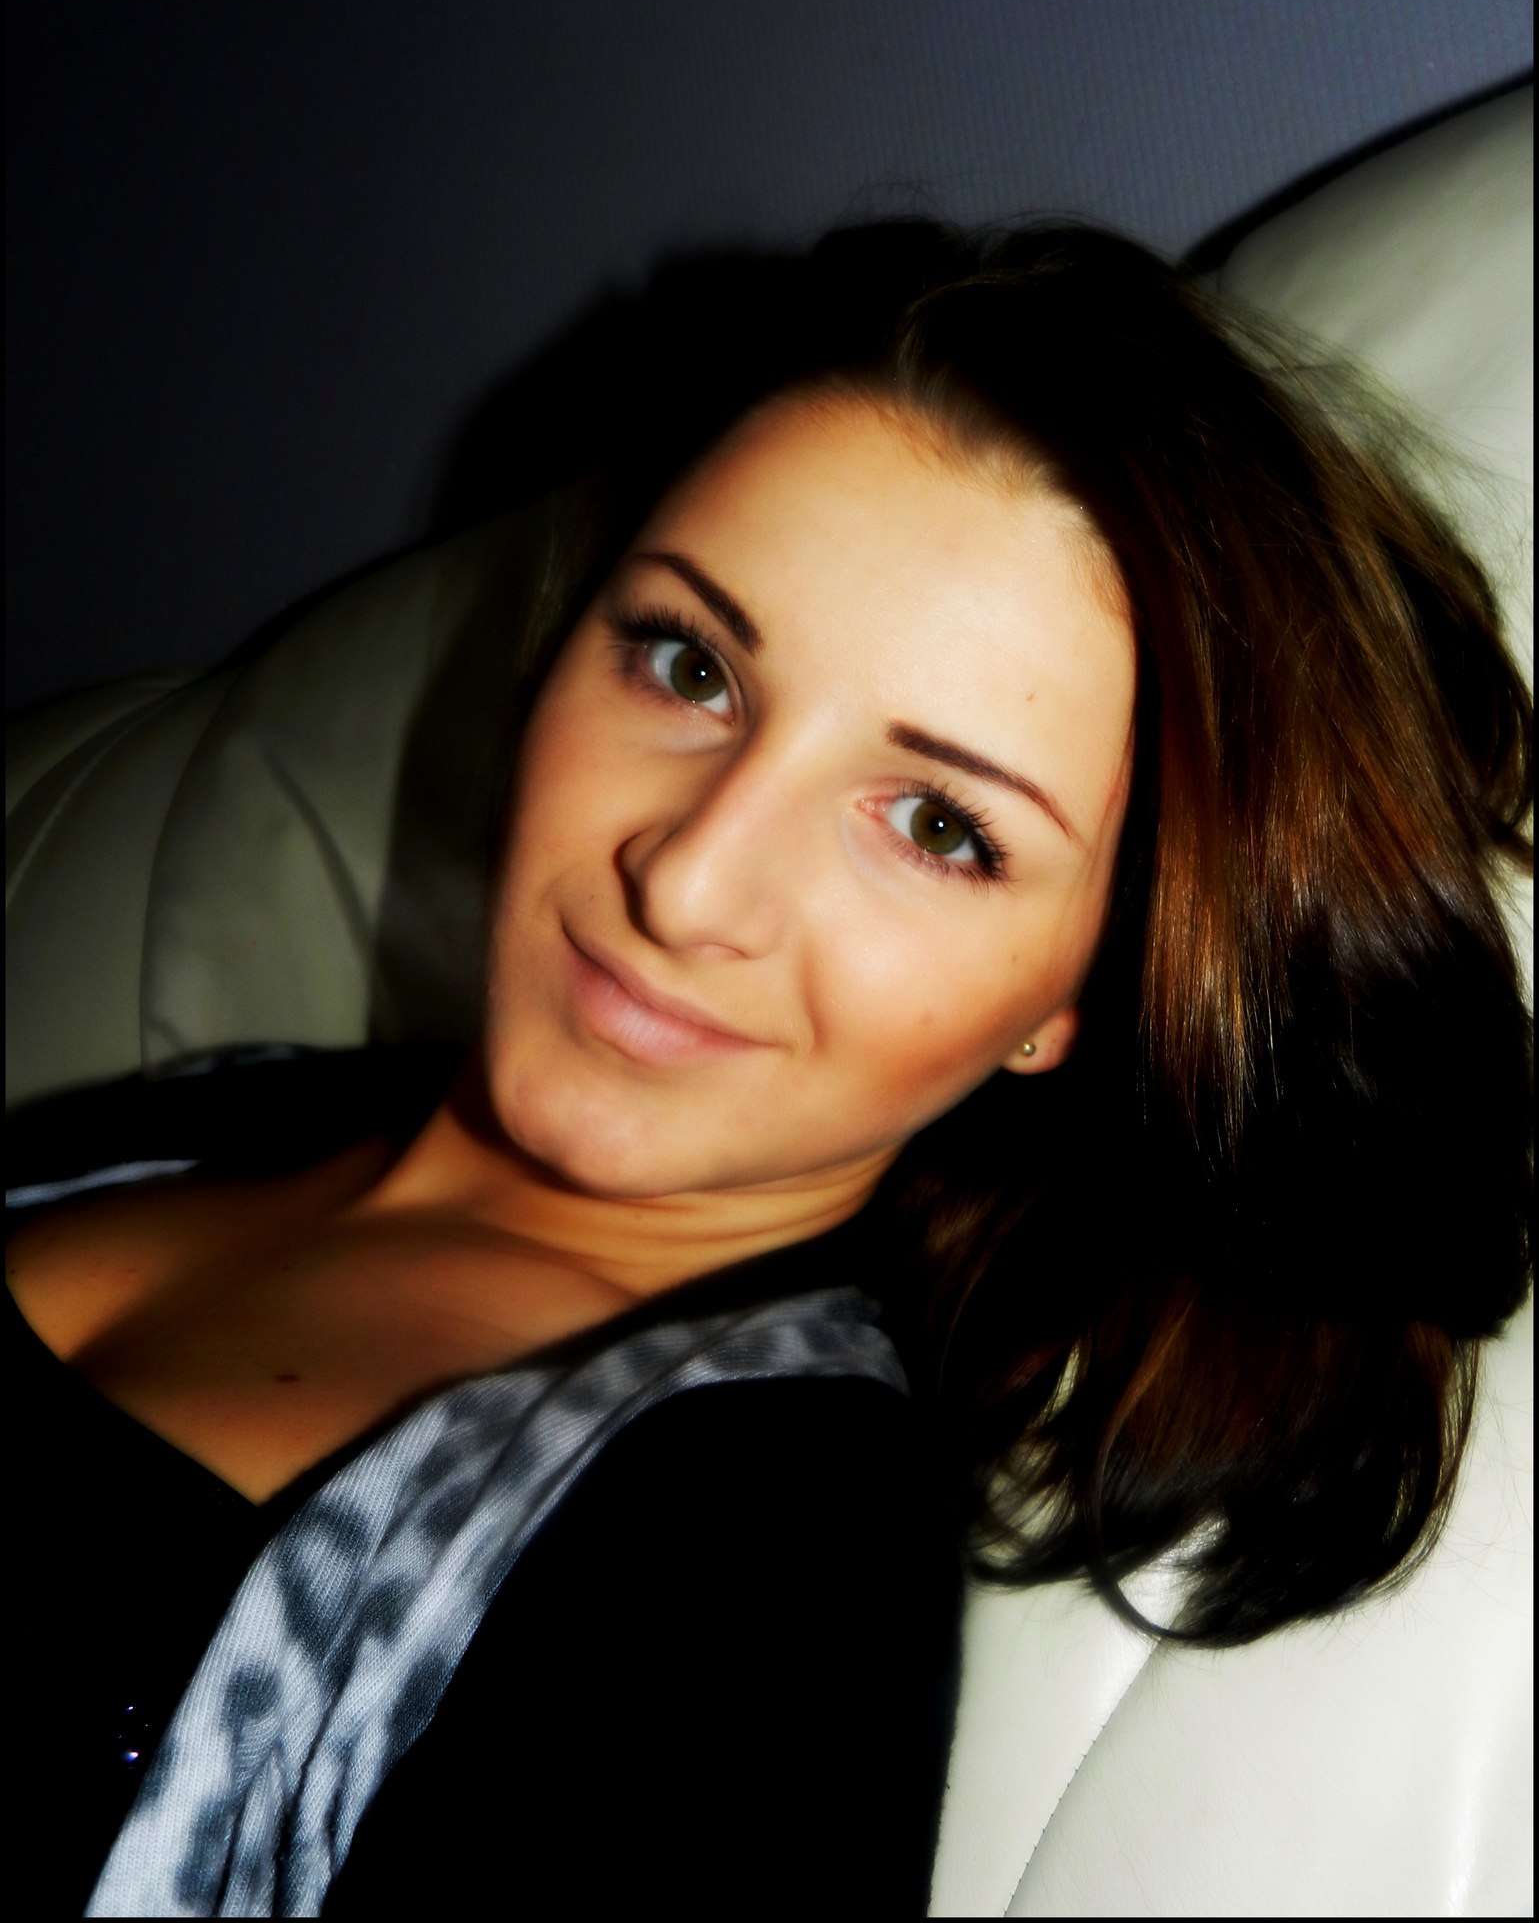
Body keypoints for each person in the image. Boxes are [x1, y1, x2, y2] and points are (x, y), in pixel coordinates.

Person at [7, 219, 1531, 1917]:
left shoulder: (754, 1564)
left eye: (939, 827)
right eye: (691, 666)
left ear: (1082, 999)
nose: (689, 879)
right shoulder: (230, 1108)